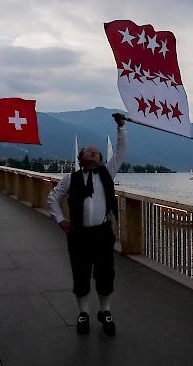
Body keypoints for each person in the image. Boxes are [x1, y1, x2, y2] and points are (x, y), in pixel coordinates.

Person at [47, 112, 126, 336]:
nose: (93, 152)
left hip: (102, 233)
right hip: (79, 234)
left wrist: (121, 127)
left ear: (101, 158)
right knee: (80, 273)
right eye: (88, 151)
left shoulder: (107, 173)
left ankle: (105, 310)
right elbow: (52, 198)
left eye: (96, 151)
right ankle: (83, 312)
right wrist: (61, 220)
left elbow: (120, 151)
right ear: (80, 158)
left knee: (105, 273)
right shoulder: (70, 179)